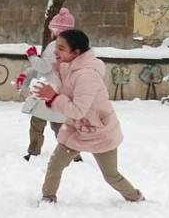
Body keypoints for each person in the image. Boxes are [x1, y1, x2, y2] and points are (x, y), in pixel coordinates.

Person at [33, 29, 145, 204]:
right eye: (57, 47)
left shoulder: (87, 75)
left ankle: (136, 198)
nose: (56, 52)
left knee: (111, 175)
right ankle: (48, 198)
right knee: (55, 164)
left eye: (61, 48)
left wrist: (53, 98)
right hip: (75, 130)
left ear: (76, 52)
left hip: (99, 132)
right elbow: (69, 97)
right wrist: (50, 95)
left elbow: (78, 110)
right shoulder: (67, 68)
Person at [16, 7, 79, 161]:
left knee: (37, 124)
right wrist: (27, 72)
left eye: (52, 28)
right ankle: (73, 154)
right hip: (61, 92)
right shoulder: (72, 47)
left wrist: (32, 56)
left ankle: (34, 151)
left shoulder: (55, 46)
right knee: (60, 125)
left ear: (56, 30)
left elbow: (44, 67)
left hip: (48, 92)